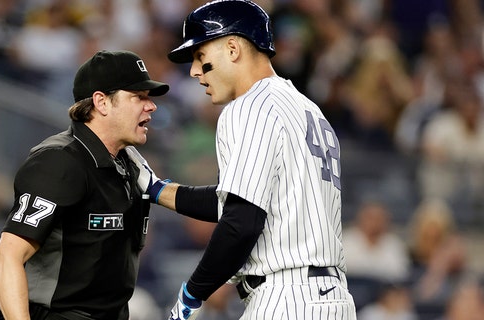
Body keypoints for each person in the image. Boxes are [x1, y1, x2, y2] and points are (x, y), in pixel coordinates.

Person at [127, 1, 356, 319]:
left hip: (286, 298)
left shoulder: (249, 107)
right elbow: (239, 199)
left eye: (200, 57)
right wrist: (157, 190)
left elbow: (241, 221)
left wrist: (192, 294)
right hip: (334, 300)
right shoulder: (308, 110)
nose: (194, 71)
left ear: (232, 48)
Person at [0, 50, 169, 320]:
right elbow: (5, 260)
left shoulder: (127, 164)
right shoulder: (59, 161)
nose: (151, 105)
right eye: (138, 96)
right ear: (102, 102)